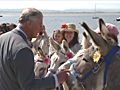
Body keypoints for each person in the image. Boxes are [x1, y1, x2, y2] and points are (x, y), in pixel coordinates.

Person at [0, 8, 69, 90]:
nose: (41, 29)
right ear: (29, 23)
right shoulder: (23, 49)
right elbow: (29, 86)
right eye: (40, 24)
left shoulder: (2, 38)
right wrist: (56, 79)